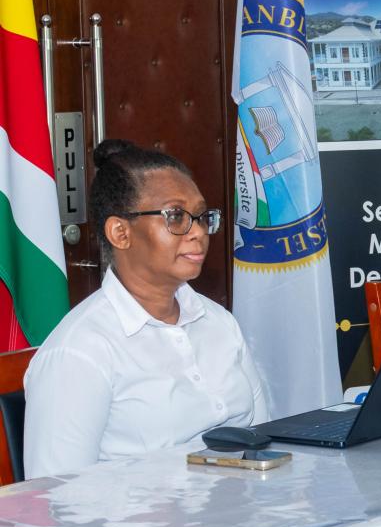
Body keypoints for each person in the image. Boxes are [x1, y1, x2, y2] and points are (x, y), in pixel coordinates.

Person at [23, 141, 268, 478]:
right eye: (176, 216)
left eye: (201, 216)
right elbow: (56, 495)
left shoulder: (218, 323)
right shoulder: (79, 352)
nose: (198, 232)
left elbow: (263, 438)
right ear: (120, 233)